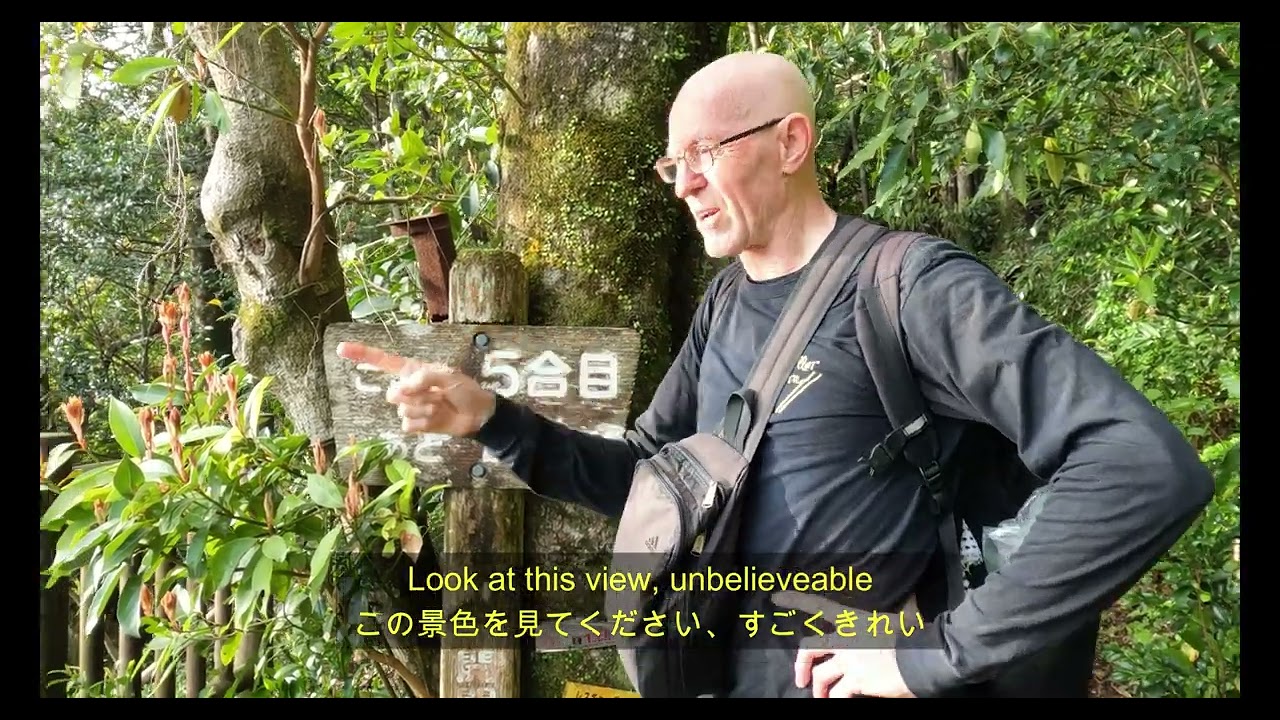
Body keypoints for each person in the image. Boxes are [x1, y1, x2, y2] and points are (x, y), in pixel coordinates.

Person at [337, 51, 1215, 698]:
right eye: (672, 164)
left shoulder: (909, 288)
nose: (683, 185)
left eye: (705, 152)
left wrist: (934, 656)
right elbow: (649, 482)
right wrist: (492, 419)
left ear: (791, 142)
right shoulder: (724, 304)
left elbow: (1139, 464)